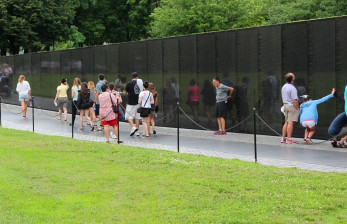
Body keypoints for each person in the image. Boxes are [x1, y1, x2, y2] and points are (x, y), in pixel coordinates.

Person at [281, 73, 299, 144]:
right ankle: (289, 139)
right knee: (290, 122)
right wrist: (297, 107)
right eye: (293, 76)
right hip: (291, 106)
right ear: (292, 79)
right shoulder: (292, 88)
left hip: (285, 105)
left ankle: (283, 138)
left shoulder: (284, 86)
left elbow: (282, 97)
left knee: (286, 122)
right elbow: (295, 100)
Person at [124, 72, 142, 136]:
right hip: (138, 102)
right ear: (137, 77)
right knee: (137, 117)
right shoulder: (140, 84)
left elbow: (125, 93)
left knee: (128, 116)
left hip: (131, 102)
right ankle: (137, 132)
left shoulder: (129, 84)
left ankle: (133, 127)